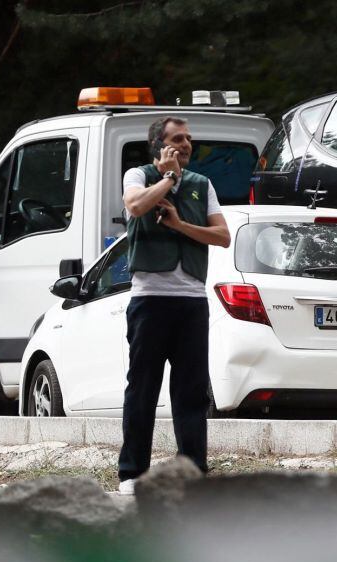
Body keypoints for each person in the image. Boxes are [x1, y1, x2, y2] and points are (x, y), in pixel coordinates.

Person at [117, 117, 231, 495]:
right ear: (158, 145)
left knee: (192, 392)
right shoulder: (138, 174)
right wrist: (166, 179)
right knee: (143, 389)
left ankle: (193, 475)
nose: (185, 144)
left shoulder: (202, 184)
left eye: (188, 139)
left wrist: (181, 225)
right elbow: (135, 206)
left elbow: (222, 236)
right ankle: (132, 474)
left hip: (192, 302)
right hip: (150, 298)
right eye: (176, 139)